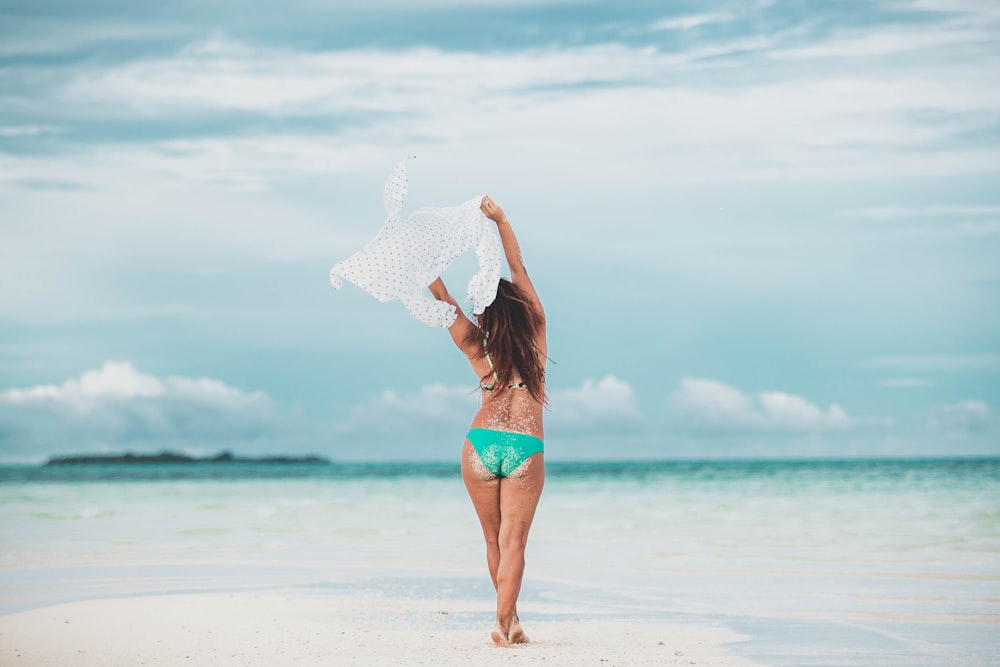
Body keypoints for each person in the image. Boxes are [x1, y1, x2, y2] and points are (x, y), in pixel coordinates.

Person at [427, 194, 547, 647]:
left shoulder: (476, 346)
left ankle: (511, 621)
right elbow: (518, 268)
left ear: (487, 311)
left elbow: (443, 297)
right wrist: (500, 220)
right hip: (524, 443)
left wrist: (422, 267)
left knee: (493, 540)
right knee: (515, 542)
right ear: (518, 307)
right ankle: (501, 624)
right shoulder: (535, 334)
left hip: (480, 443)